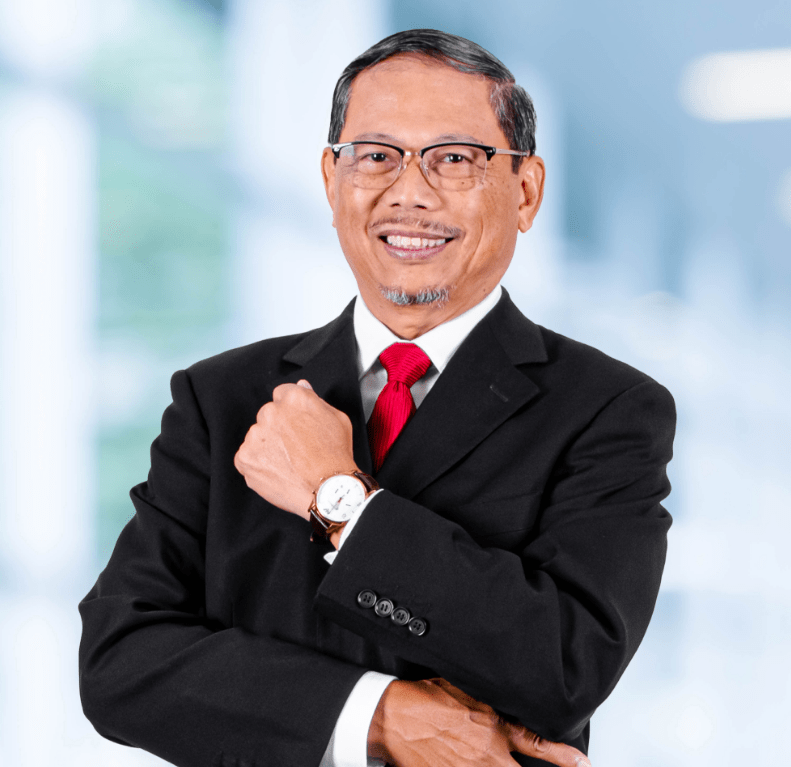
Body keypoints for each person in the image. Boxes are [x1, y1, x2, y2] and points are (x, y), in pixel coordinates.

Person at [78, 29, 675, 767]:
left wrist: (340, 498)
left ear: (524, 191)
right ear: (332, 183)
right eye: (375, 155)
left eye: (454, 158)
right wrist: (375, 713)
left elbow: (561, 666)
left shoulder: (606, 408)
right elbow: (120, 661)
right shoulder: (221, 397)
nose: (410, 191)